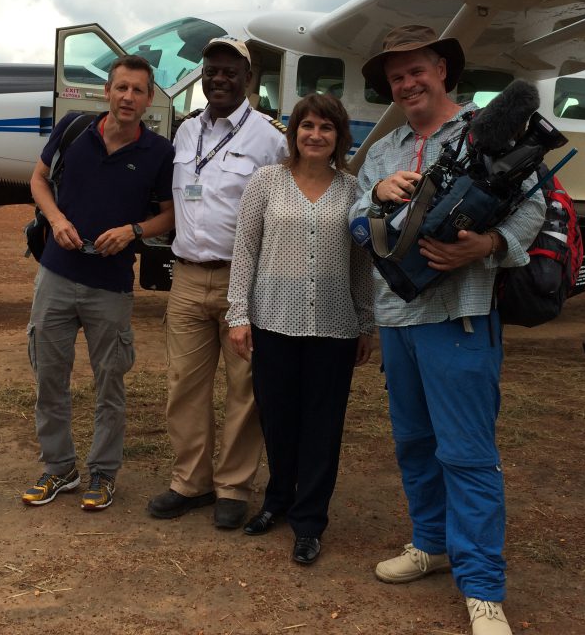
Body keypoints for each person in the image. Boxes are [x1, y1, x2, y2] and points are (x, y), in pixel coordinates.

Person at [350, 26, 545, 635]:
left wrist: (488, 245)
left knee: (466, 453)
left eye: (416, 70)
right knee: (413, 442)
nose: (406, 83)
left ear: (442, 70)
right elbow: (357, 223)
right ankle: (431, 544)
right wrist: (376, 196)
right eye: (396, 76)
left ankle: (483, 587)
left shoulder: (489, 133)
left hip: (459, 315)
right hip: (398, 318)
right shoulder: (383, 151)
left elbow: (535, 205)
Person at [22, 54, 174, 511]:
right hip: (56, 274)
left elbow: (169, 213)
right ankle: (59, 468)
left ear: (149, 99)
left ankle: (103, 474)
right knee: (50, 377)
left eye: (138, 90)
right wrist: (55, 218)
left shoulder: (159, 153)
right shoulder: (72, 130)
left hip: (110, 286)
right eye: (121, 87)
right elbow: (38, 179)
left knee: (110, 383)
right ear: (107, 91)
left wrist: (133, 232)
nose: (128, 97)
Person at [226, 93, 374, 565]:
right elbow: (245, 250)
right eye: (306, 126)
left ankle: (309, 522)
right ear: (293, 133)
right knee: (279, 420)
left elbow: (361, 264)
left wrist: (366, 322)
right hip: (273, 321)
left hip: (334, 327)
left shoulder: (353, 192)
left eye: (326, 128)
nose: (315, 135)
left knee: (323, 427)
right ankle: (277, 502)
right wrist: (238, 314)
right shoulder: (266, 182)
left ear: (338, 137)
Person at [147, 36, 288, 529]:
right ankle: (190, 482)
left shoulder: (269, 140)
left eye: (230, 71)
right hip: (186, 276)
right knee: (183, 384)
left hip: (241, 279)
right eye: (212, 71)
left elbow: (283, 208)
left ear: (247, 79)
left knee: (244, 387)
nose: (219, 78)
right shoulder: (186, 133)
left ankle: (232, 486)